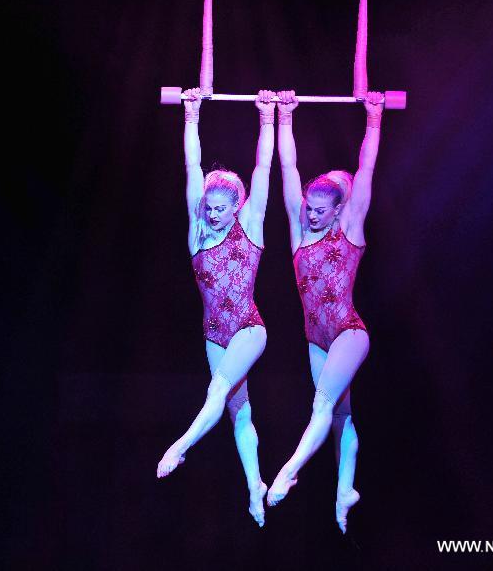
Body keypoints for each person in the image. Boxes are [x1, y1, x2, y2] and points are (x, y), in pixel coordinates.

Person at [156, 87, 276, 527]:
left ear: (237, 208)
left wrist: (269, 119)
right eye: (208, 206)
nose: (211, 213)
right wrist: (191, 115)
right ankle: (254, 489)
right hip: (213, 334)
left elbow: (263, 168)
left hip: (249, 327)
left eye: (221, 208)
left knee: (216, 392)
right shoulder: (197, 231)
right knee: (238, 411)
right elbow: (192, 166)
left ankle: (180, 446)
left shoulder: (250, 228)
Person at [266, 89, 385, 534]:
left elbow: (367, 169)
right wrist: (283, 118)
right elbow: (288, 169)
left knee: (320, 406)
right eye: (308, 210)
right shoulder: (300, 235)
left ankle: (286, 473)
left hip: (348, 332)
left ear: (339, 211)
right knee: (340, 416)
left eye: (320, 211)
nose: (311, 215)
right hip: (316, 339)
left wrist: (374, 120)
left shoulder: (350, 229)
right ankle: (344, 493)